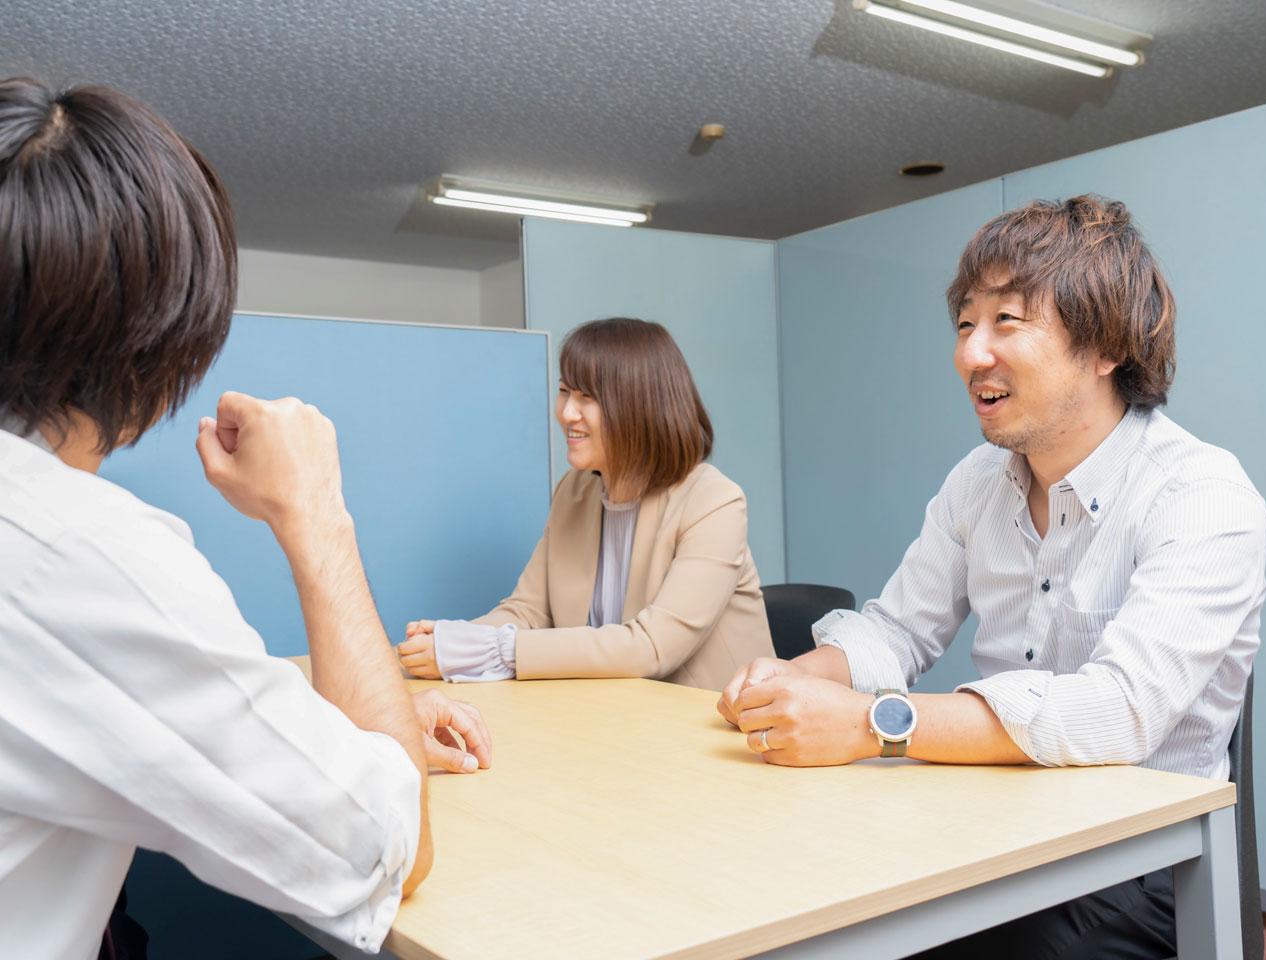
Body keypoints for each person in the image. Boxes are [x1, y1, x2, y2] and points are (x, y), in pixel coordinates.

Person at [0, 77, 491, 960]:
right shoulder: (69, 546)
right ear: (161, 337)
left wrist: (327, 721)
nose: (570, 411)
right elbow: (385, 843)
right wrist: (317, 512)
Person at [718, 195, 1266, 958]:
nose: (971, 354)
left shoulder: (1203, 494)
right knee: (790, 894)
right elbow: (897, 629)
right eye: (966, 323)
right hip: (993, 820)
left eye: (1007, 322)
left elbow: (1121, 710)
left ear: (1108, 346)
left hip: (1143, 866)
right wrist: (790, 683)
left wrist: (872, 724)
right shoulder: (978, 482)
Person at [399, 317, 773, 690]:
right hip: (616, 717)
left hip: (714, 731)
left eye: (587, 397)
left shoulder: (714, 502)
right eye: (565, 391)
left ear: (639, 405)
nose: (566, 413)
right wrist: (454, 641)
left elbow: (652, 647)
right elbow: (528, 610)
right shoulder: (574, 493)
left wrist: (494, 651)